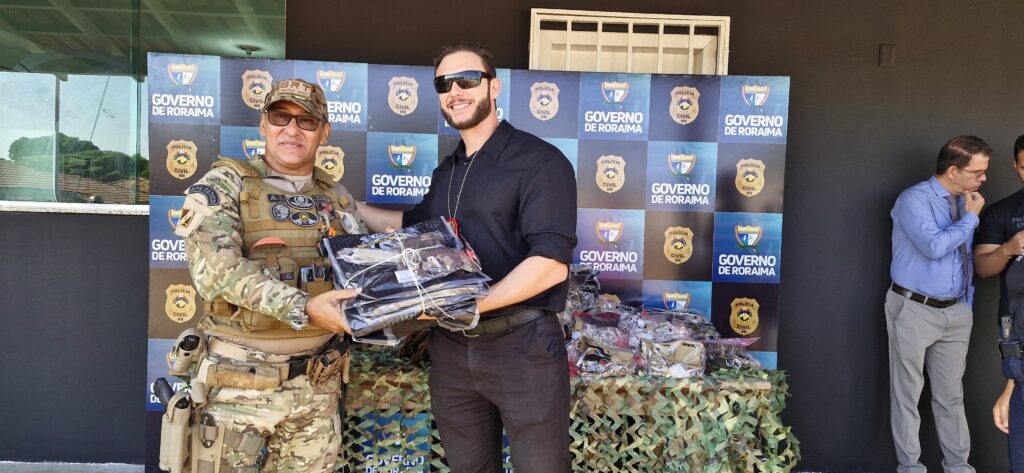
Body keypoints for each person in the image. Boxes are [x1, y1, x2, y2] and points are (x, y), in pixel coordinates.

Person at [358, 41, 578, 472]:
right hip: (453, 352)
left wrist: (469, 305)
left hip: (523, 348)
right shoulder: (449, 170)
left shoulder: (540, 162)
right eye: (445, 83)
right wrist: (350, 205)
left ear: (493, 87)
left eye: (468, 80)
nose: (455, 90)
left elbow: (551, 263)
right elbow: (414, 228)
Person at [172, 78, 365, 472]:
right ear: (264, 124)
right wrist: (305, 307)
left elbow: (360, 265)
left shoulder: (335, 196)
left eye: (307, 121)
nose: (291, 129)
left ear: (324, 132)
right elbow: (216, 272)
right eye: (281, 117)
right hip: (237, 388)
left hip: (316, 388)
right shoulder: (224, 184)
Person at [885, 135, 991, 473]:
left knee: (951, 396)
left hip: (956, 312)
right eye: (978, 172)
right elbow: (933, 246)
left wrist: (966, 302)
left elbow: (963, 257)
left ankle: (959, 467)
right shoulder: (914, 199)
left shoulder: (966, 200)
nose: (983, 179)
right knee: (907, 395)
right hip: (914, 308)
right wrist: (971, 218)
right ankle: (911, 468)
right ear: (953, 169)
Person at [974, 134, 1024, 471]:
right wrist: (1009, 248)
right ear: (1016, 166)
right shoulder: (1004, 212)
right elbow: (983, 268)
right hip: (1017, 346)